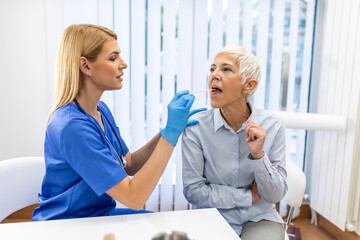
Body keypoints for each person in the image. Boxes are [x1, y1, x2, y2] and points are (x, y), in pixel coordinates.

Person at [33, 24, 204, 220]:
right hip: (68, 223)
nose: (123, 64)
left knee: (160, 224)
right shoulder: (72, 126)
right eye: (113, 58)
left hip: (98, 214)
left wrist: (166, 131)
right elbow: (133, 197)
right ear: (86, 66)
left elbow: (128, 163)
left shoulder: (100, 110)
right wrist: (171, 136)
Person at [181, 46, 287, 239]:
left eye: (226, 69)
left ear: (249, 85)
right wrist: (249, 196)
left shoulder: (273, 125)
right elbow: (193, 191)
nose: (214, 75)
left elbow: (274, 195)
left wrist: (259, 155)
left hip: (259, 217)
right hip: (210, 216)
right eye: (212, 69)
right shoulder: (195, 127)